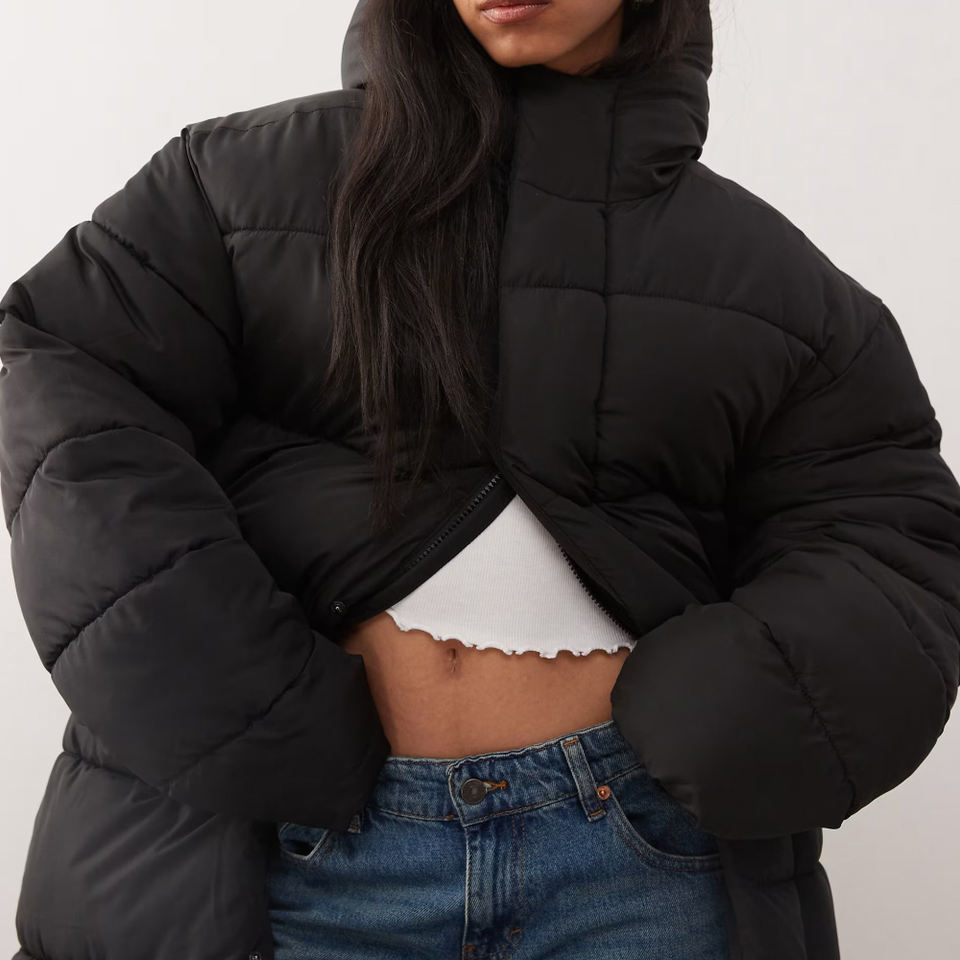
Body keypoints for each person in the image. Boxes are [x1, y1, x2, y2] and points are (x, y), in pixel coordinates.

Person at [3, 1, 959, 959]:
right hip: (291, 857)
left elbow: (887, 527)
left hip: (639, 867)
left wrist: (726, 712)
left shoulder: (772, 278)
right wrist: (234, 687)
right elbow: (61, 387)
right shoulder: (237, 186)